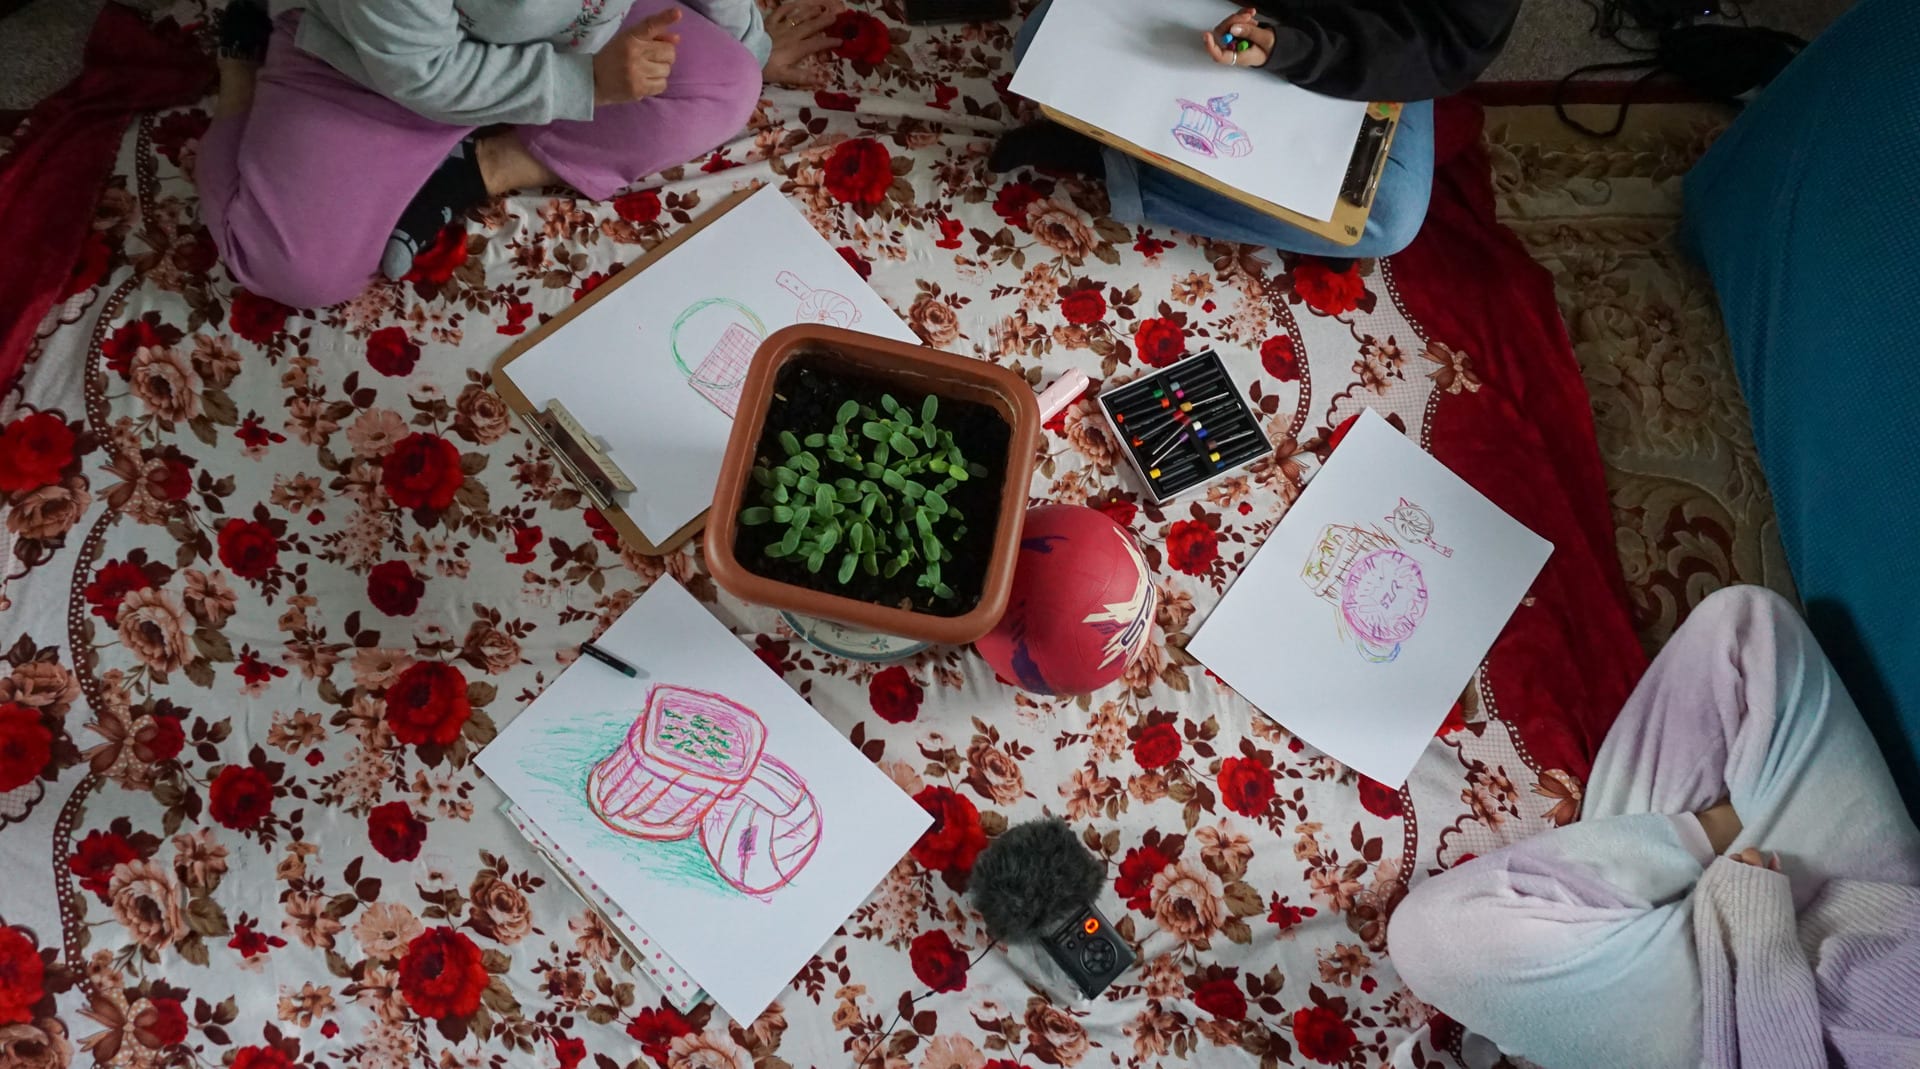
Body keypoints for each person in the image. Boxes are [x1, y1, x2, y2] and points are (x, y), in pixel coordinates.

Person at [1388, 586, 1920, 1068]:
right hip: (1877, 926)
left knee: (1431, 937)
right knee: (1743, 629)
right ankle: (1712, 839)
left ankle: (1674, 881)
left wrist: (1758, 952)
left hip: (1726, 1042)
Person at [198, 0, 844, 308]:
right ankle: (241, 70)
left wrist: (749, 46)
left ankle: (476, 169)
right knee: (297, 274)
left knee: (728, 84)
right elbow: (421, 76)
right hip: (364, 73)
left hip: (572, 40)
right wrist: (584, 87)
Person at [993, 0, 1524, 258]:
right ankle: (1125, 144)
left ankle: (1114, 164)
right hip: (1230, 7)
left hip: (1363, 42)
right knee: (1041, 46)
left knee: (1385, 219)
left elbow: (1444, 45)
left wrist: (1296, 49)